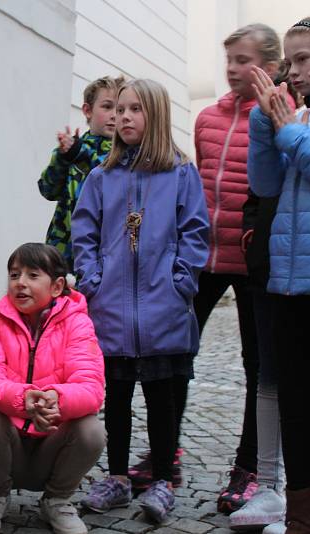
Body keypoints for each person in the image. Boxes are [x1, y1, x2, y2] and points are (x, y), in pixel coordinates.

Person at [164, 24, 288, 513]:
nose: (233, 69)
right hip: (203, 259)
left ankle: (249, 466)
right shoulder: (206, 118)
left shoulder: (281, 115)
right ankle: (164, 450)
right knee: (175, 356)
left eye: (244, 60)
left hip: (255, 261)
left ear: (271, 67)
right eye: (230, 60)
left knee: (259, 369)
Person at [74, 79, 209, 524]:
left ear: (156, 117)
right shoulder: (101, 177)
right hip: (111, 308)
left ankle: (162, 482)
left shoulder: (180, 174)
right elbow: (85, 234)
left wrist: (181, 282)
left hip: (163, 309)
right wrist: (92, 281)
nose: (124, 117)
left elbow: (194, 231)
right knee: (116, 398)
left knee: (161, 398)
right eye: (120, 110)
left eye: (135, 109)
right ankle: (115, 476)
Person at [230, 16, 310, 534]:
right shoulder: (303, 119)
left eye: (308, 60)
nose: (297, 72)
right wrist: (264, 126)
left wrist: (290, 131)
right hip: (289, 285)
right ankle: (301, 521)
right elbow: (266, 184)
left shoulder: (308, 126)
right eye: (292, 62)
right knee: (295, 408)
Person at [0, 243, 105, 534]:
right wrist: (23, 400)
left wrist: (57, 399)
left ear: (57, 286)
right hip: (10, 441)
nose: (20, 283)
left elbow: (91, 386)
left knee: (92, 431)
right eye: (15, 274)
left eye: (33, 275)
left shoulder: (78, 323)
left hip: (54, 439)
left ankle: (57, 500)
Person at [38, 75, 123, 270]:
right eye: (107, 106)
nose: (114, 116)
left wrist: (80, 154)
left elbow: (109, 177)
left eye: (119, 110)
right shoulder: (73, 148)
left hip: (102, 254)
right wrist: (61, 157)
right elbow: (48, 190)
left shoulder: (123, 153)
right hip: (62, 252)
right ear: (87, 110)